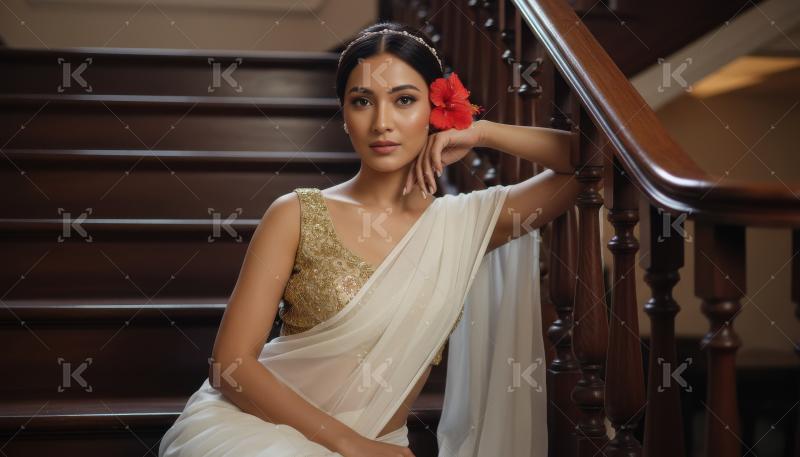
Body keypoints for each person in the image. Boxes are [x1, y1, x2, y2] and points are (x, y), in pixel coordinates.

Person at [159, 21, 578, 457]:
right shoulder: (296, 214)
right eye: (362, 101)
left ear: (435, 110)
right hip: (257, 432)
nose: (382, 123)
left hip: (378, 445)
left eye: (404, 100)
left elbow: (593, 163)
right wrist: (349, 444)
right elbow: (230, 366)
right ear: (344, 116)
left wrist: (481, 132)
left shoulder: (469, 223)